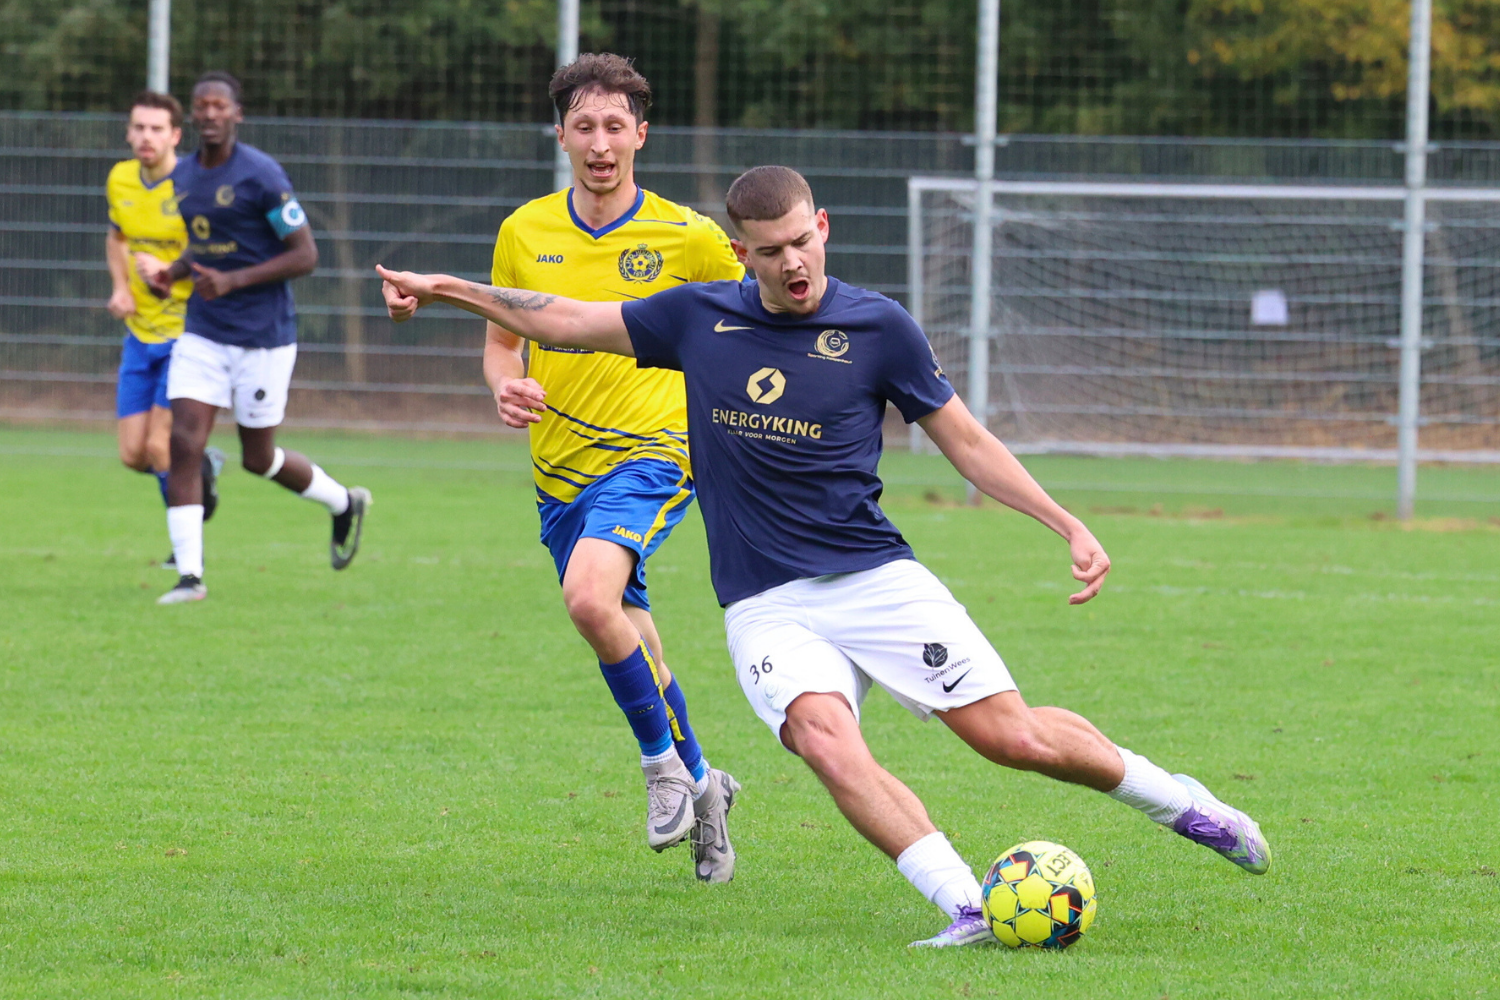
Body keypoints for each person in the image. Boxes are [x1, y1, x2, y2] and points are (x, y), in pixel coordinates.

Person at [375, 165, 1271, 947]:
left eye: (803, 241)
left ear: (824, 228)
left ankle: (1183, 803)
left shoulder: (880, 327)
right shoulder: (695, 318)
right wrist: (444, 287)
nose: (793, 263)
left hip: (875, 579)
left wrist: (1065, 522)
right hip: (766, 604)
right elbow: (564, 318)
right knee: (821, 738)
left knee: (1013, 739)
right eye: (770, 251)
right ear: (741, 253)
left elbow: (965, 440)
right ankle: (966, 905)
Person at [481, 53, 746, 881]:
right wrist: (505, 384)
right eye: (584, 126)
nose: (600, 143)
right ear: (561, 135)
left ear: (642, 134)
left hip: (655, 452)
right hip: (559, 473)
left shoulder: (690, 237)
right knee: (630, 636)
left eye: (615, 126)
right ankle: (705, 784)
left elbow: (753, 320)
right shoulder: (524, 232)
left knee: (588, 598)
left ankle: (661, 769)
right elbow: (501, 344)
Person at [141, 71, 370, 605]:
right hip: (203, 332)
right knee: (183, 443)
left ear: (236, 114)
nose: (210, 113)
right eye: (202, 105)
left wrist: (233, 281)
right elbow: (207, 244)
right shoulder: (184, 176)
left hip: (263, 338)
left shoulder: (261, 174)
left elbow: (305, 255)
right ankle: (190, 578)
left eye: (220, 105)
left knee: (258, 457)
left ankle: (343, 503)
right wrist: (172, 274)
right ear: (192, 115)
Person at [105, 90, 222, 564]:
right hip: (140, 333)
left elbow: (217, 253)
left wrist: (170, 271)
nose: (146, 137)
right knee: (133, 454)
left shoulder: (193, 184)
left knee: (160, 446)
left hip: (187, 334)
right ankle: (201, 466)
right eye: (139, 127)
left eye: (156, 129)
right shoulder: (120, 179)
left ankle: (184, 552)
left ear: (175, 135)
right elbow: (117, 237)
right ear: (129, 133)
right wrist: (121, 288)